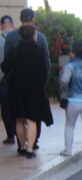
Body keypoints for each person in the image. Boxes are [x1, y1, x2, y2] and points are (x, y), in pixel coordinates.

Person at [1, 25, 52, 158]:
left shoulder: (15, 51)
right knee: (31, 120)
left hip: (16, 89)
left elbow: (5, 67)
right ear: (34, 36)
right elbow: (45, 71)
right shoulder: (40, 51)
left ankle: (22, 147)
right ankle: (30, 150)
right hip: (34, 90)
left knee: (19, 119)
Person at [0, 14, 14, 145]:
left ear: (0, 26)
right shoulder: (18, 39)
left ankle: (11, 135)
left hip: (2, 81)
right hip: (16, 80)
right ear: (13, 25)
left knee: (5, 109)